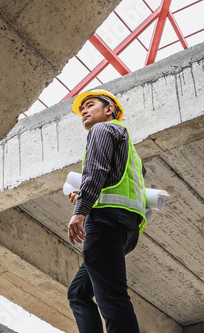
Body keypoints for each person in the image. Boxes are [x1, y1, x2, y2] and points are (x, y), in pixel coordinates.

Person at [66, 89, 147, 333]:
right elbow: (114, 180)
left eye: (90, 105)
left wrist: (80, 211)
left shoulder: (101, 130)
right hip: (126, 229)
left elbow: (96, 170)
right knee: (78, 293)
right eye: (82, 110)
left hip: (105, 222)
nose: (84, 112)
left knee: (111, 297)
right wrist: (85, 196)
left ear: (109, 109)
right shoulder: (129, 147)